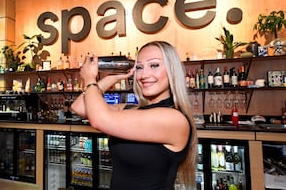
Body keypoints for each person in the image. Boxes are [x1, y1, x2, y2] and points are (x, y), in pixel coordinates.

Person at [71, 41, 197, 190]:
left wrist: (90, 79)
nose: (144, 75)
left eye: (154, 65)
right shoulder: (131, 109)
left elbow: (100, 119)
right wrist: (112, 78)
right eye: (139, 67)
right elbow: (78, 106)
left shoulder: (174, 119)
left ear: (172, 70)